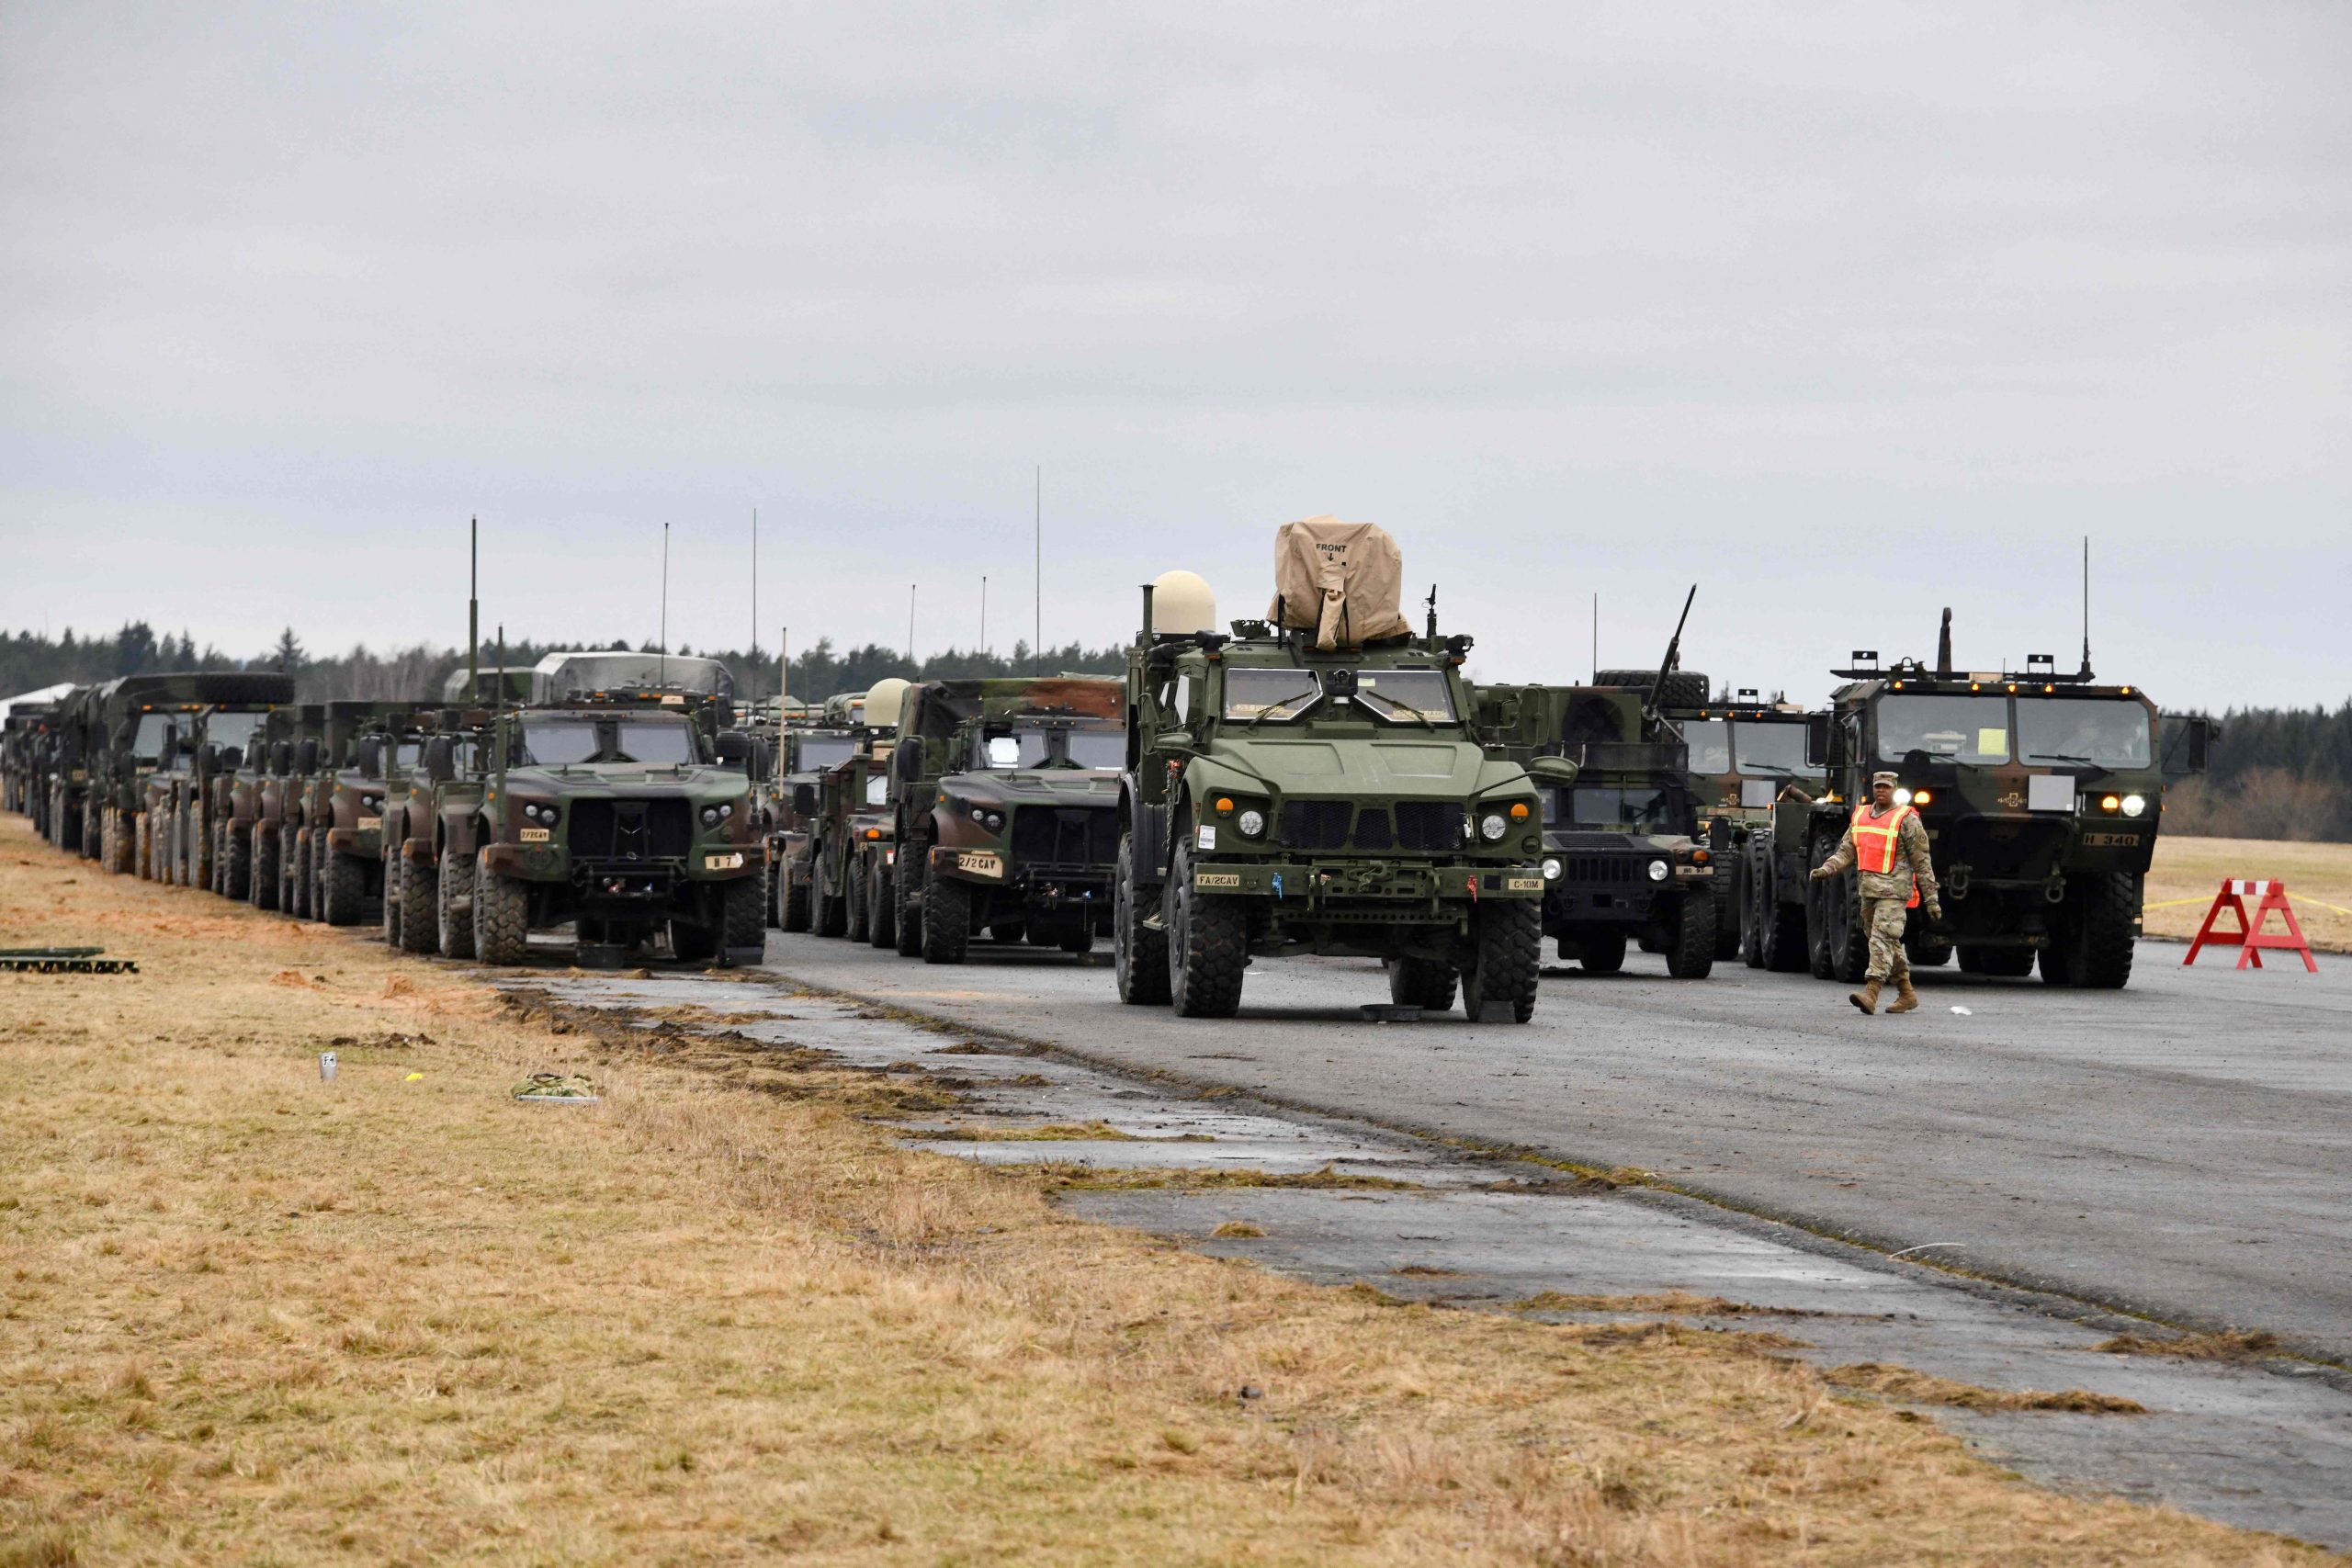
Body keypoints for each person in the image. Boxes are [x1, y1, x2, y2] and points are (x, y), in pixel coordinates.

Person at [1811, 771, 1941, 1015]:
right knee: (1886, 941)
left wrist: (1931, 899)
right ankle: (1906, 993)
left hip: (1894, 893)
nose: (1881, 790)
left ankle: (1872, 992)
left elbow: (1923, 862)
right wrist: (1827, 868)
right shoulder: (1861, 816)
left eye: (1886, 787)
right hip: (1869, 891)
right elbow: (1847, 850)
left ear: (1894, 789)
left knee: (1882, 938)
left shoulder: (1907, 819)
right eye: (1877, 786)